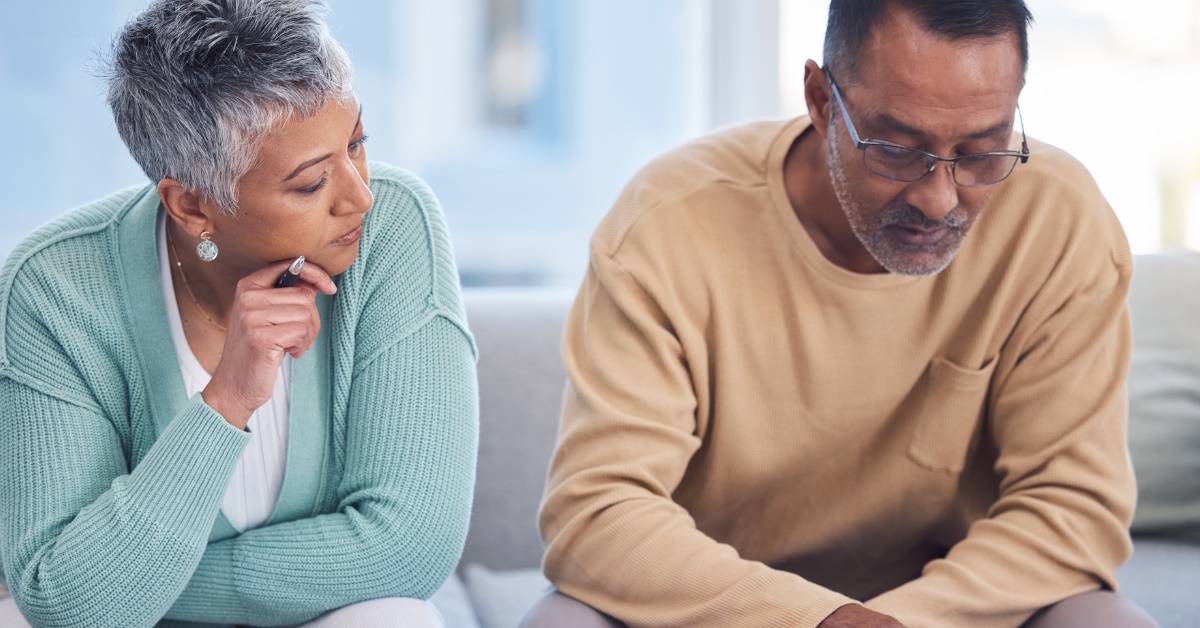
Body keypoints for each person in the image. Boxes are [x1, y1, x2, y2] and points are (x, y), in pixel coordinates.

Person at [521, 1, 1159, 627]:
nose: (940, 200)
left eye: (981, 151)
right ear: (822, 101)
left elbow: (1072, 510)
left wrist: (895, 623)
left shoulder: (1060, 221)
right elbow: (597, 513)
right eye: (897, 149)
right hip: (719, 611)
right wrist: (819, 621)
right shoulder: (664, 228)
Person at [0, 1, 477, 626]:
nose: (359, 195)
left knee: (395, 617)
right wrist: (226, 403)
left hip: (317, 615)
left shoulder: (393, 226)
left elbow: (409, 549)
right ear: (192, 206)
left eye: (357, 143)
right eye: (310, 184)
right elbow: (65, 605)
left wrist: (137, 584)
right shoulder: (54, 289)